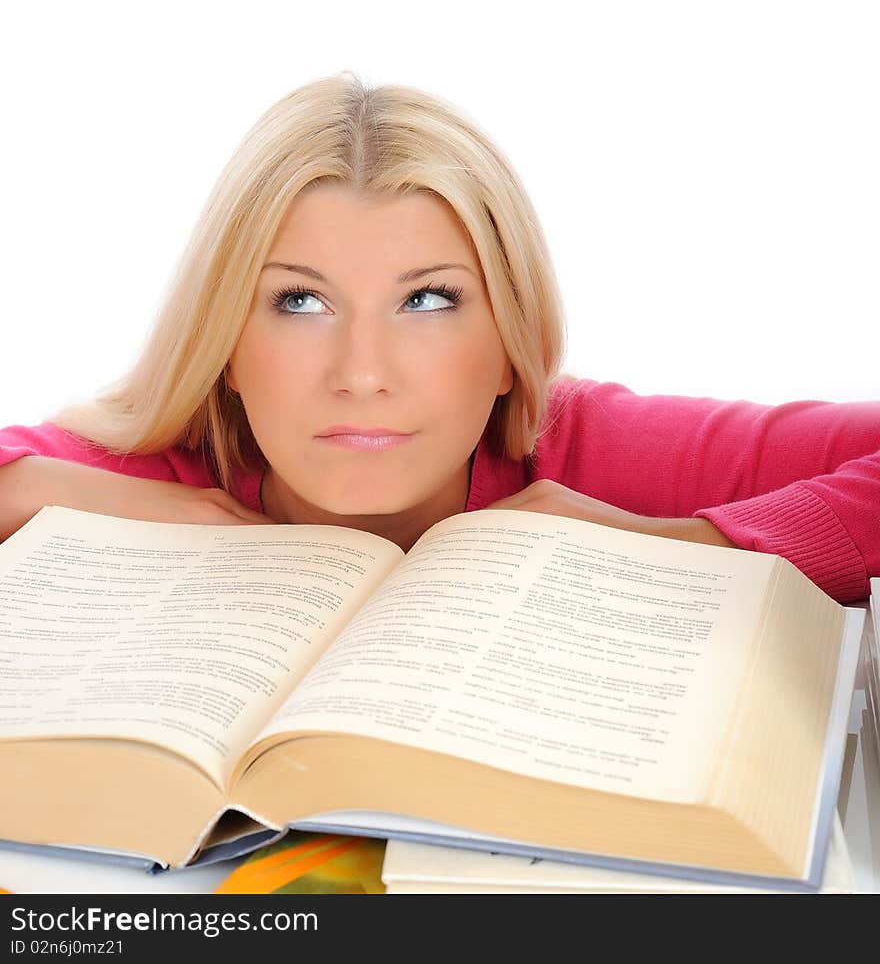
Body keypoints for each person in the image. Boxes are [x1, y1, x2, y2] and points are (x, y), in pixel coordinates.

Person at [1, 70, 879, 604]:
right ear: (226, 344)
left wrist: (675, 548)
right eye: (301, 304)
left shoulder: (579, 449)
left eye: (426, 301)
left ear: (510, 343)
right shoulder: (182, 460)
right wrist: (141, 505)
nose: (362, 374)